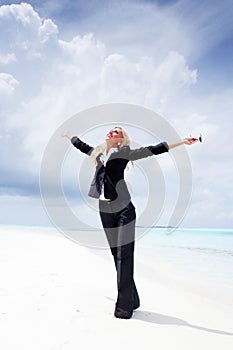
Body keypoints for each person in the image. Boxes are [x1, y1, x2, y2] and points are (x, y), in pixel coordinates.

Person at [62, 126, 198, 319]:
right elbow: (80, 145)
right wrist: (68, 135)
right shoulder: (99, 154)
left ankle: (124, 308)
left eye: (116, 131)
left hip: (124, 209)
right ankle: (133, 299)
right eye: (111, 130)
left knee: (124, 256)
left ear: (121, 140)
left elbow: (155, 149)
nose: (111, 132)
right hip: (105, 210)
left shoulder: (125, 154)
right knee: (116, 255)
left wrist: (183, 141)